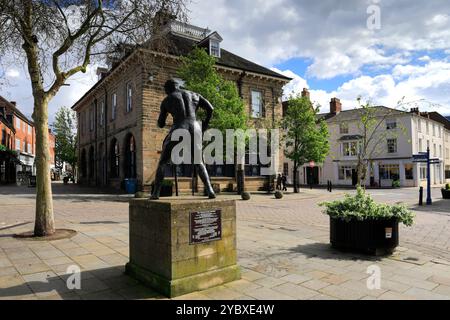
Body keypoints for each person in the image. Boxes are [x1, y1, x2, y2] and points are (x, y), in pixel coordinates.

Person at [150, 79, 216, 200]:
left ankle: (156, 193)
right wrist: (205, 125)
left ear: (168, 89)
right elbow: (210, 109)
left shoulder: (167, 99)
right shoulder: (194, 94)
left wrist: (162, 119)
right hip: (195, 127)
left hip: (180, 126)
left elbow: (160, 123)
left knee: (163, 161)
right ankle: (210, 190)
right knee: (199, 162)